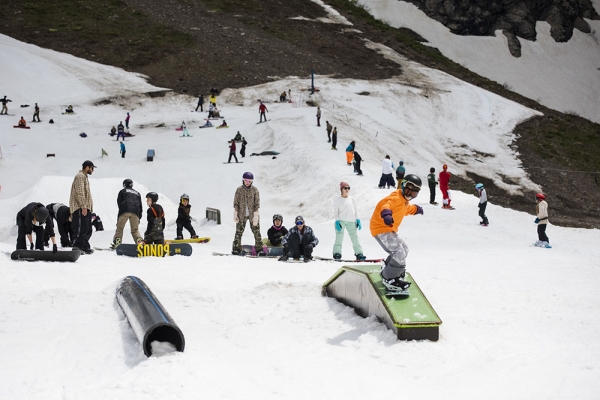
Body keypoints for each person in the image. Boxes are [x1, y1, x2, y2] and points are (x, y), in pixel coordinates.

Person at [370, 174, 424, 292]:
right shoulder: (396, 197)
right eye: (408, 189)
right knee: (399, 253)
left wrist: (416, 209)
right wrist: (386, 214)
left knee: (404, 249)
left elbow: (406, 209)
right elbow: (386, 204)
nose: (410, 194)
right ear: (403, 185)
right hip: (380, 229)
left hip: (389, 230)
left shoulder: (404, 201)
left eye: (414, 193)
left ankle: (389, 267)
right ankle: (389, 277)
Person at [232, 172, 265, 255]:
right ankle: (236, 248)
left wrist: (256, 214)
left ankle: (259, 249)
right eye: (246, 180)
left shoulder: (254, 190)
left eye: (250, 181)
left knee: (256, 232)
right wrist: (236, 212)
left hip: (252, 214)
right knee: (238, 232)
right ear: (243, 180)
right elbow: (236, 202)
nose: (248, 182)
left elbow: (257, 202)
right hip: (241, 214)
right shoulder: (239, 190)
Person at [333, 182, 366, 260]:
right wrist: (337, 221)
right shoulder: (337, 200)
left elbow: (355, 210)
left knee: (355, 238)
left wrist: (357, 219)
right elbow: (335, 212)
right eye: (345, 188)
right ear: (341, 189)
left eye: (348, 188)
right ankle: (337, 253)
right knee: (339, 238)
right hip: (341, 221)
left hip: (351, 221)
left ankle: (359, 254)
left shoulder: (352, 199)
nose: (347, 189)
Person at [70, 160, 95, 254]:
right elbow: (79, 193)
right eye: (92, 168)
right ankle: (77, 246)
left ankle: (84, 246)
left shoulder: (84, 177)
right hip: (80, 207)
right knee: (81, 228)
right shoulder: (80, 176)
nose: (93, 170)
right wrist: (83, 206)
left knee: (88, 228)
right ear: (87, 167)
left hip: (86, 207)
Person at [111, 179, 144, 249]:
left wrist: (121, 213)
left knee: (120, 228)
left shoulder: (122, 191)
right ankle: (140, 241)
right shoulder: (137, 193)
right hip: (135, 212)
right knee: (135, 229)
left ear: (124, 185)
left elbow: (119, 202)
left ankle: (118, 241)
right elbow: (140, 205)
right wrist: (139, 216)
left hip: (124, 210)